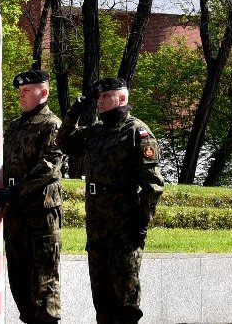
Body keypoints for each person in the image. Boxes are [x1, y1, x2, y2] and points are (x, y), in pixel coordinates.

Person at [58, 76, 164, 324]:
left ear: (122, 98)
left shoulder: (137, 132)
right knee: (102, 297)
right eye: (99, 97)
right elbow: (63, 143)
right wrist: (74, 113)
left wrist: (141, 222)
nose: (100, 101)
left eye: (106, 96)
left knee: (125, 297)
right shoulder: (96, 130)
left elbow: (154, 184)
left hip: (124, 226)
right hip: (97, 226)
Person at [0, 68, 64, 324]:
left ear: (44, 92)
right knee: (19, 281)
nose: (21, 96)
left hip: (41, 213)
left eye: (26, 91)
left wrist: (15, 189)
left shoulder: (52, 125)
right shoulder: (15, 126)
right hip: (16, 214)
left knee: (43, 284)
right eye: (20, 91)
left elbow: (49, 165)